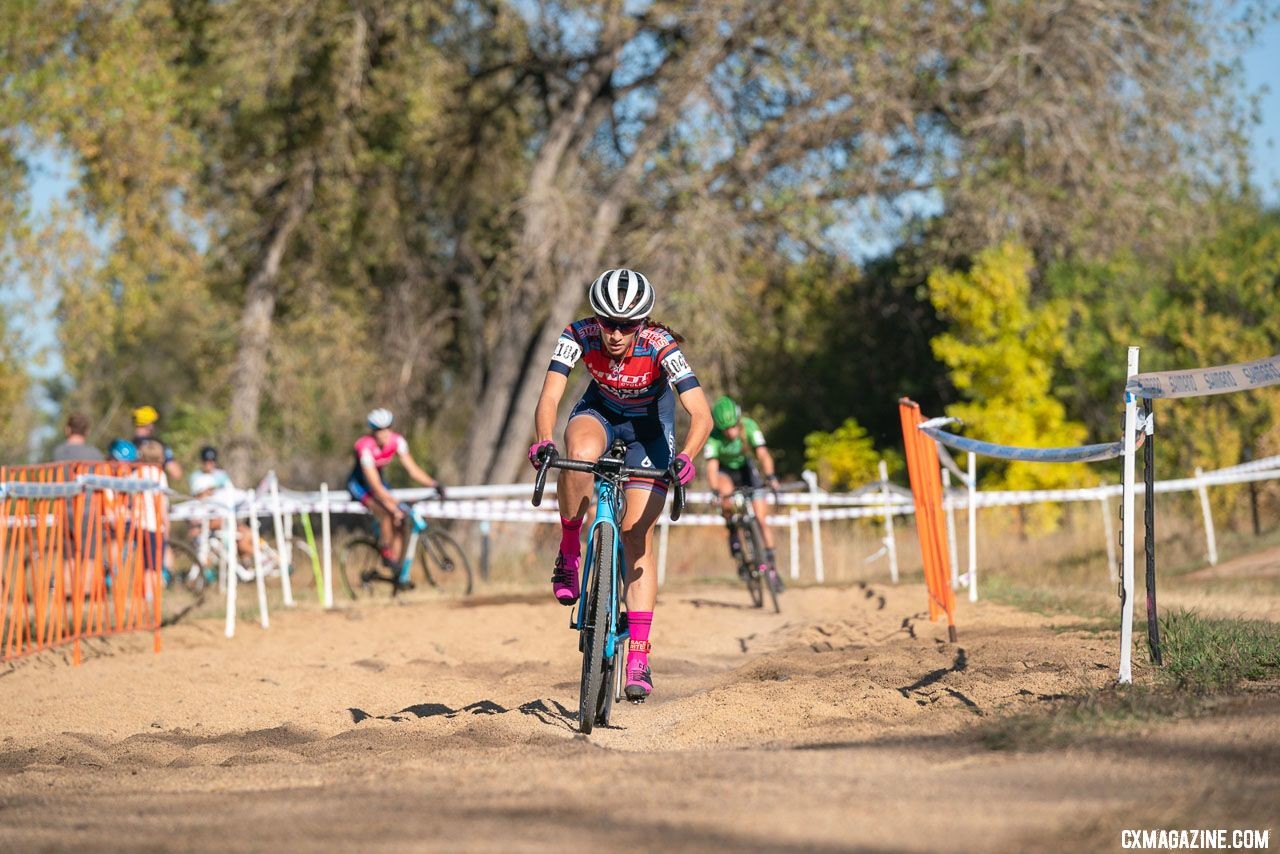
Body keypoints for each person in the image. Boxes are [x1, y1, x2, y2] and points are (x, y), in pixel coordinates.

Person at [529, 268, 712, 702]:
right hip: (601, 414)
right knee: (578, 459)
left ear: (643, 324)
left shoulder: (660, 346)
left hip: (649, 428)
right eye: (607, 322)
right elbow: (550, 396)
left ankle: (639, 657)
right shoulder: (577, 334)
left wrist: (686, 457)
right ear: (595, 319)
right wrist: (543, 440)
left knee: (636, 536)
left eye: (626, 325)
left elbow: (700, 414)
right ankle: (570, 549)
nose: (614, 334)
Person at [346, 409, 445, 581]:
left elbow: (413, 470)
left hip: (379, 483)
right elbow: (375, 486)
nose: (384, 434)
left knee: (400, 519)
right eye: (379, 430)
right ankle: (386, 552)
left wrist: (434, 484)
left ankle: (395, 566)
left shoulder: (397, 442)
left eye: (387, 429)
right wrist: (395, 502)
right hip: (360, 486)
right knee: (386, 513)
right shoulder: (365, 447)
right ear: (373, 431)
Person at [704, 395, 782, 589]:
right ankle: (732, 529)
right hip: (725, 472)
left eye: (733, 427)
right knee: (726, 496)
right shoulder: (713, 437)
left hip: (746, 469)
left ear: (738, 421)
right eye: (725, 429)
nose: (730, 432)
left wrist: (770, 476)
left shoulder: (749, 426)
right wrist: (715, 491)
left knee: (762, 520)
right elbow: (712, 467)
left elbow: (763, 454)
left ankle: (771, 567)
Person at [131, 406, 182, 482]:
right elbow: (176, 473)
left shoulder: (128, 446)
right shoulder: (159, 445)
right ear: (150, 425)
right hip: (154, 489)